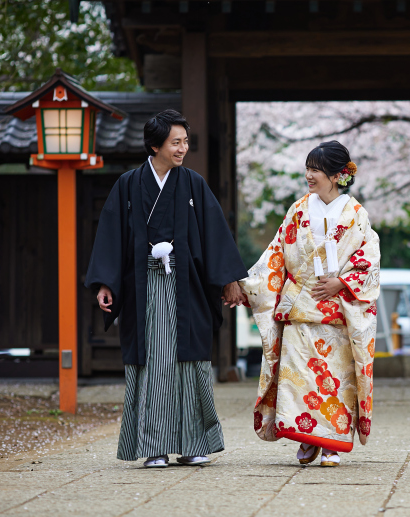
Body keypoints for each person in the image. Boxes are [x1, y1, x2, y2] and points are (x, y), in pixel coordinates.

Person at [85, 109, 248, 468]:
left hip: (186, 284)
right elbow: (111, 235)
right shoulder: (128, 184)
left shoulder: (193, 183)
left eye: (185, 142)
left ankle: (193, 443)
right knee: (153, 363)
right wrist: (105, 282)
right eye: (176, 142)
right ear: (155, 145)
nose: (183, 148)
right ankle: (153, 446)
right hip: (143, 285)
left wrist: (229, 279)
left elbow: (215, 233)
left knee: (190, 362)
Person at [240, 140, 379, 467]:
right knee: (298, 379)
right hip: (300, 308)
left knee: (335, 380)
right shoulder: (298, 210)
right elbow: (276, 253)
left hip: (336, 311)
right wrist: (247, 287)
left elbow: (369, 258)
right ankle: (306, 435)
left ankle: (331, 444)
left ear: (336, 176)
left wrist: (341, 282)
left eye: (316, 170)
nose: (309, 176)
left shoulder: (355, 214)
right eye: (308, 169)